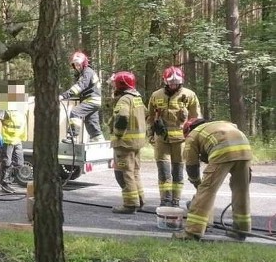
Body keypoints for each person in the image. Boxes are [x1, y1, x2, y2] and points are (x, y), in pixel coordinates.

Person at [172, 118, 252, 241]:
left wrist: (197, 183)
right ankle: (241, 229)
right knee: (241, 190)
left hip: (223, 150)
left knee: (206, 191)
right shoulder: (219, 125)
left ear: (188, 131)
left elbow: (191, 165)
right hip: (245, 150)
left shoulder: (192, 136)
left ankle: (192, 232)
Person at [146, 66, 201, 207]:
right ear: (165, 81)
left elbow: (196, 119)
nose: (173, 85)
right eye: (170, 82)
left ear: (181, 81)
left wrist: (193, 139)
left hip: (181, 141)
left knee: (178, 172)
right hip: (161, 139)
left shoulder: (189, 95)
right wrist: (150, 134)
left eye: (176, 82)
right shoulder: (156, 95)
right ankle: (165, 200)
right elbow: (150, 117)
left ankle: (175, 200)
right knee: (163, 172)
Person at [108, 71, 147, 213]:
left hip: (124, 144)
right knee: (134, 172)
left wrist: (118, 134)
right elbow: (146, 114)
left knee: (125, 173)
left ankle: (130, 204)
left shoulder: (124, 100)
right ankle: (140, 200)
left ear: (120, 85)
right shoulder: (137, 98)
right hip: (136, 143)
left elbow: (123, 117)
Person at [59, 51, 104, 142]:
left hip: (91, 100)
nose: (77, 66)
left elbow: (80, 86)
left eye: (78, 64)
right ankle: (99, 140)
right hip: (94, 101)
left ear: (84, 63)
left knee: (76, 112)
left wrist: (64, 96)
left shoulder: (87, 72)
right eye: (75, 65)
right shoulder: (86, 72)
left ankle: (72, 137)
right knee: (91, 121)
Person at [0, 83, 29, 194]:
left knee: (19, 163)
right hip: (7, 140)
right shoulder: (5, 106)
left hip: (17, 140)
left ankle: (9, 179)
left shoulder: (21, 107)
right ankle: (5, 183)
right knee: (6, 162)